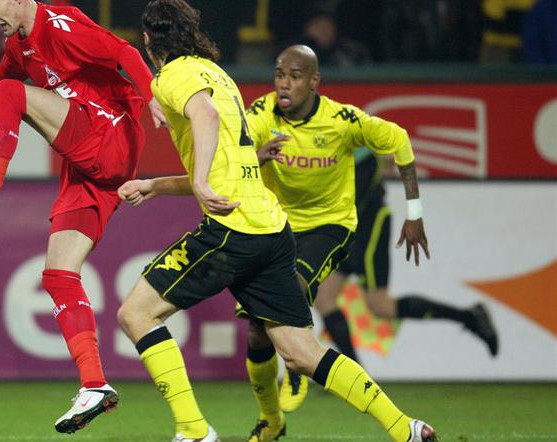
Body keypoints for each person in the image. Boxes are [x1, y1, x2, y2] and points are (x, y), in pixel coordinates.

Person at [117, 2, 437, 441]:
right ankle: (405, 428)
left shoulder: (171, 77)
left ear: (148, 40)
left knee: (136, 314)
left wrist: (202, 183)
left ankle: (194, 430)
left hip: (232, 231)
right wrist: (157, 185)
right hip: (272, 229)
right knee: (302, 352)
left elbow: (205, 120)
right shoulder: (219, 76)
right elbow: (232, 168)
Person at [0, 0, 166, 434]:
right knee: (59, 276)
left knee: (11, 95)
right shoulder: (19, 44)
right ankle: (94, 384)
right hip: (91, 169)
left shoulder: (61, 24)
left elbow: (124, 52)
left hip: (110, 133)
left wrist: (153, 97)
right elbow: (3, 73)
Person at [237, 45, 497, 441]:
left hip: (351, 225)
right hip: (282, 228)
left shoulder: (345, 124)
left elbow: (396, 143)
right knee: (272, 323)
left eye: (294, 76)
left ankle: (302, 366)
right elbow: (234, 157)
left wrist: (414, 213)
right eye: (279, 75)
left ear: (314, 82)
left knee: (371, 303)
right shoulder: (261, 115)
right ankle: (299, 400)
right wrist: (255, 156)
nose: (284, 83)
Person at [278, 149, 500, 414]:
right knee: (325, 299)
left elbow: (353, 197)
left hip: (368, 227)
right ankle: (356, 377)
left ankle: (470, 317)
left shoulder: (364, 158)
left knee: (380, 305)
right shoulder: (333, 151)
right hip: (344, 230)